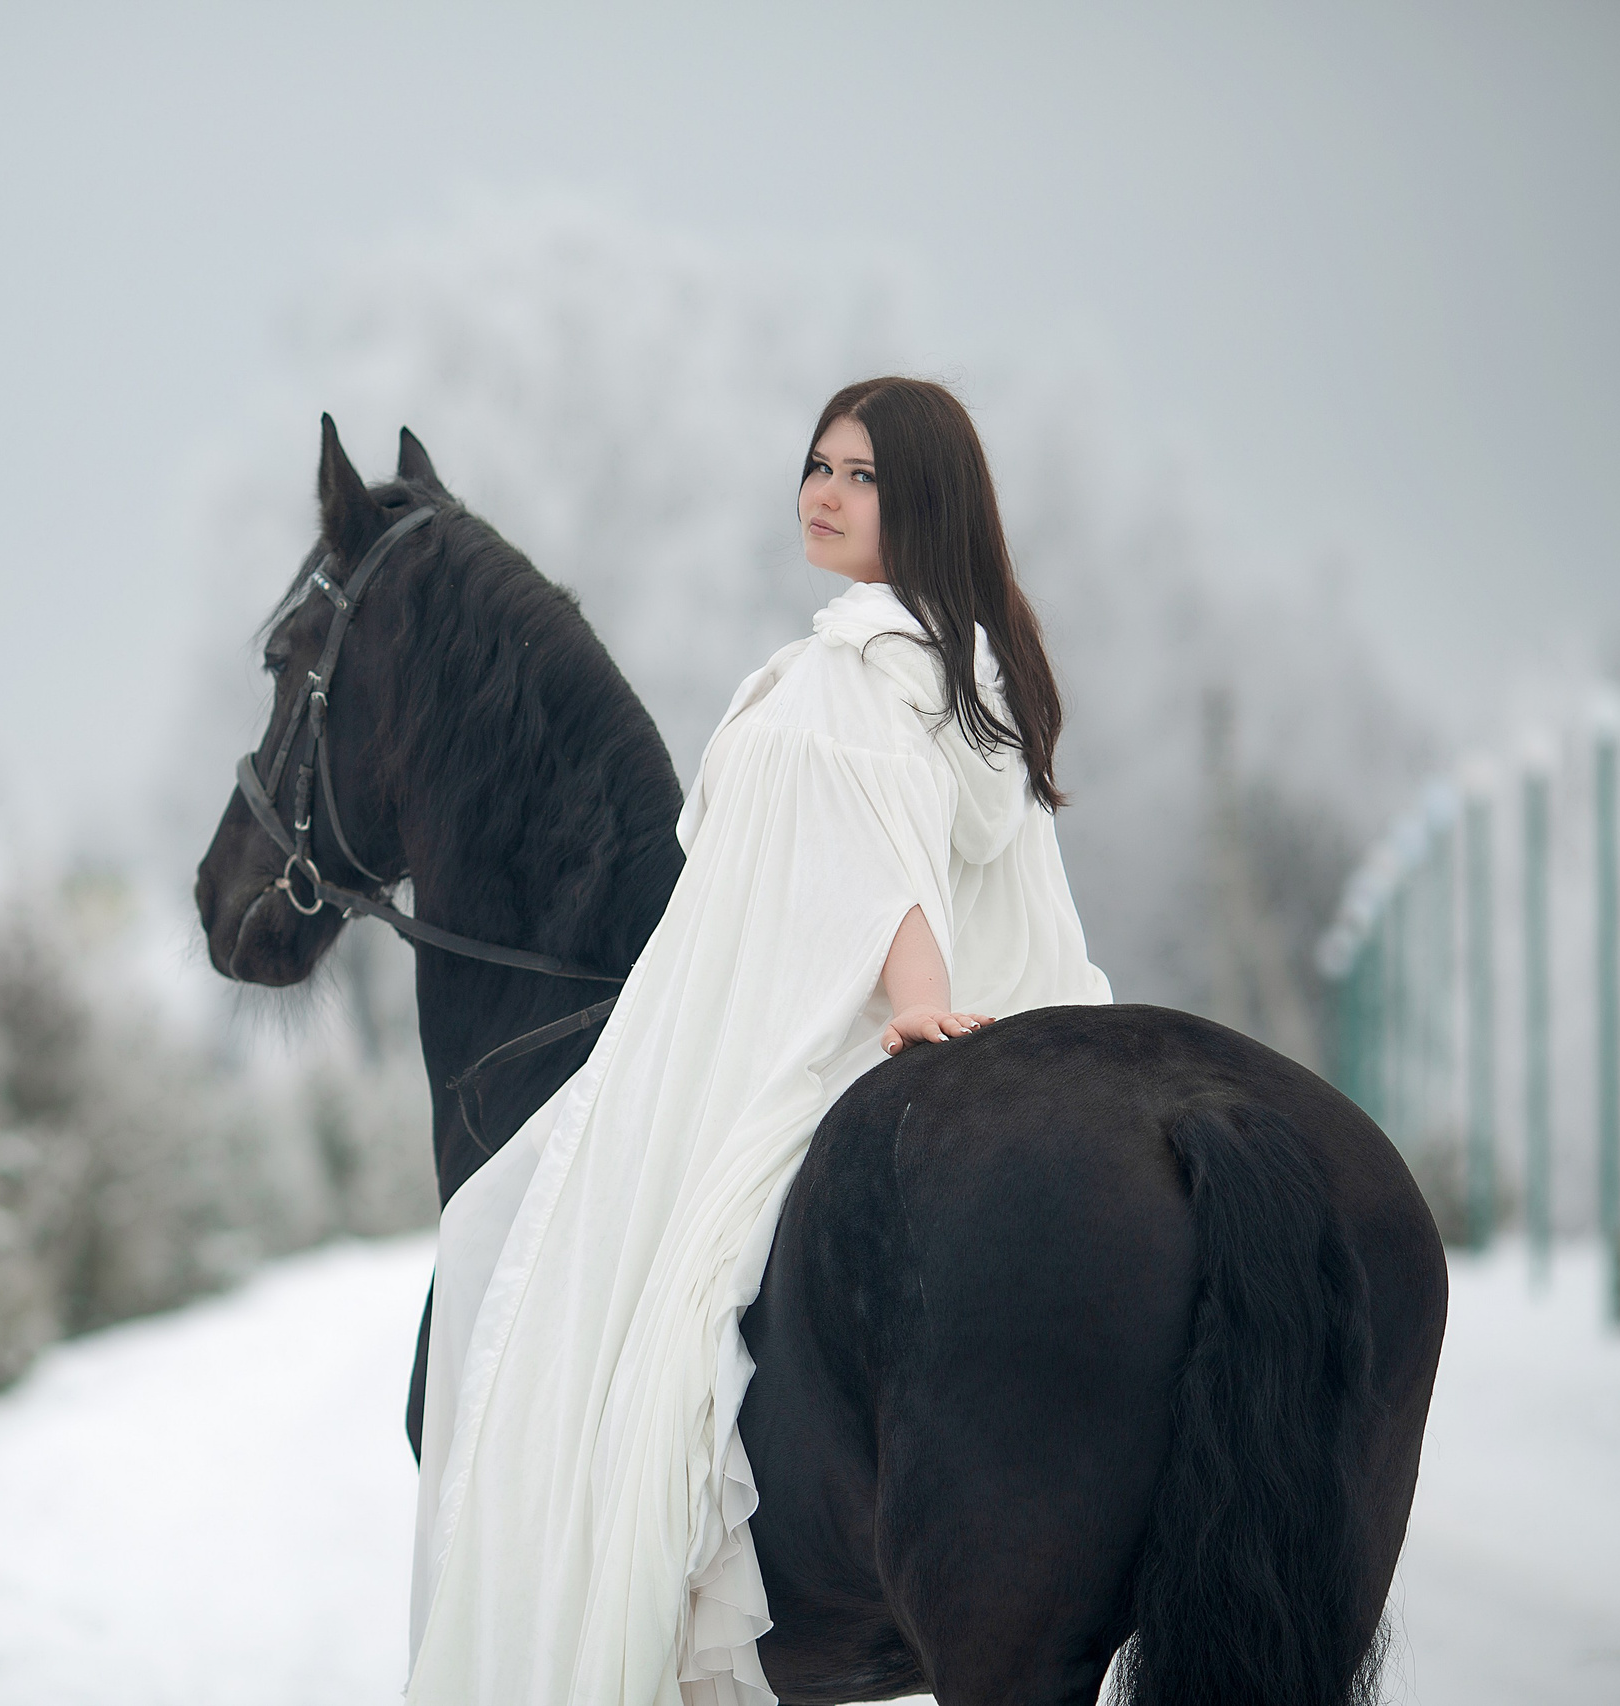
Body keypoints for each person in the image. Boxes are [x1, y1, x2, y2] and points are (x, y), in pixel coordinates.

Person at [406, 377, 1113, 1706]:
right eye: (817, 465)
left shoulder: (857, 665)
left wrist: (916, 995)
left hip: (775, 1041)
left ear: (924, 501)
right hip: (857, 1007)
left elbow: (881, 850)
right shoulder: (970, 665)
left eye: (862, 475)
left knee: (500, 1234)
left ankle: (529, 1600)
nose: (823, 494)